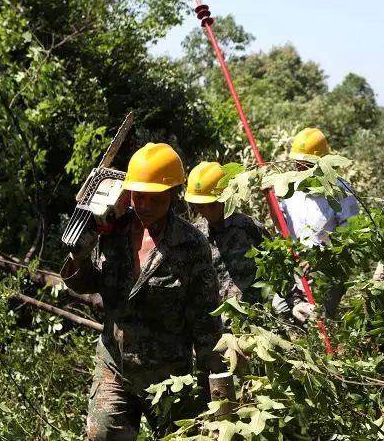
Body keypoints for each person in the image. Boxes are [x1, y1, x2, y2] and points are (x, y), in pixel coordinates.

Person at [61, 143, 223, 440]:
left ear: (173, 194)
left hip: (170, 377)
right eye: (138, 196)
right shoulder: (111, 232)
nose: (144, 205)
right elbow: (90, 284)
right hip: (115, 366)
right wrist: (78, 259)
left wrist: (218, 390)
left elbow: (206, 321)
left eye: (154, 198)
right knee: (102, 436)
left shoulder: (191, 244)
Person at [274, 127, 360, 320]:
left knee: (318, 318)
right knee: (281, 311)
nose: (299, 169)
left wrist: (318, 258)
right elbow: (282, 227)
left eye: (305, 164)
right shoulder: (290, 190)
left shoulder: (341, 190)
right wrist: (268, 199)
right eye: (298, 163)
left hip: (327, 267)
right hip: (295, 264)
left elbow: (350, 236)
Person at [184, 161, 267, 305]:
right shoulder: (194, 236)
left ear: (226, 198)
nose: (206, 212)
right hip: (215, 323)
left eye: (211, 205)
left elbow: (274, 269)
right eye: (200, 206)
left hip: (252, 317)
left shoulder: (249, 228)